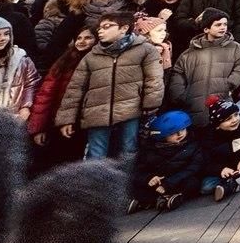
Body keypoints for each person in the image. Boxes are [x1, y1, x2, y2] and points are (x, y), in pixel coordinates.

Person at [56, 10, 164, 160]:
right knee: (96, 153)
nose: (101, 30)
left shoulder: (144, 49)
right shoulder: (92, 56)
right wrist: (67, 118)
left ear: (124, 28)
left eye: (107, 26)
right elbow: (75, 88)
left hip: (130, 109)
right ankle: (96, 184)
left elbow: (154, 78)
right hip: (97, 111)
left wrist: (150, 104)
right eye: (100, 27)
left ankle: (123, 183)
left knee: (128, 151)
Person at [28, 23, 94, 167]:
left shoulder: (98, 64)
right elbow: (46, 95)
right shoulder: (65, 61)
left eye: (88, 38)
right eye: (79, 38)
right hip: (57, 121)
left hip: (85, 124)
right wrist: (39, 128)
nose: (82, 41)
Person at [168, 11, 240, 127]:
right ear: (206, 29)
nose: (223, 28)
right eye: (218, 25)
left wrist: (230, 83)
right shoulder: (190, 52)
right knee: (197, 135)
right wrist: (180, 94)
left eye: (225, 24)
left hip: (222, 101)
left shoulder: (235, 48)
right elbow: (178, 73)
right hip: (194, 104)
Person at [130, 110, 202, 213]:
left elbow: (193, 168)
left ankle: (173, 197)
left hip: (178, 180)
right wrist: (149, 178)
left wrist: (169, 183)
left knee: (193, 183)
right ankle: (153, 200)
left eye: (182, 129)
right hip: (160, 182)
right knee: (139, 186)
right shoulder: (151, 150)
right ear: (163, 136)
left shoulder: (192, 146)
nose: (179, 134)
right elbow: (139, 170)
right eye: (172, 133)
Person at [0, 14, 39, 121]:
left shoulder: (20, 59)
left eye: (6, 34)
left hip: (12, 119)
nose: (3, 39)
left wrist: (26, 106)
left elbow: (32, 83)